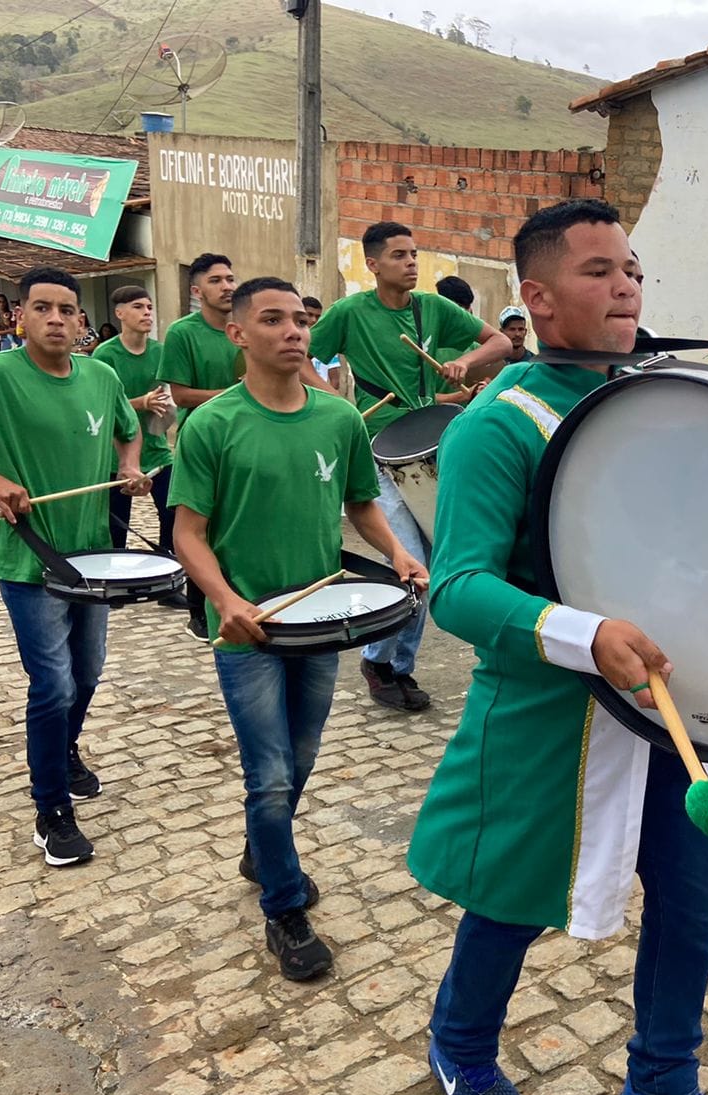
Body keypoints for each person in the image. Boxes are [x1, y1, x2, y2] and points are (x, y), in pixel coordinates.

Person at [411, 199, 708, 1095]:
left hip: (670, 703)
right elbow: (458, 587)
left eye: (632, 269)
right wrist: (585, 632)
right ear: (539, 295)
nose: (626, 286)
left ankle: (662, 1085)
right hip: (552, 713)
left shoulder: (660, 402)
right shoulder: (498, 424)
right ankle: (460, 1046)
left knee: (693, 897)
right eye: (599, 270)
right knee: (512, 899)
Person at [171, 276, 427, 979]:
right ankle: (284, 910)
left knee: (302, 757)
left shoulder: (338, 419)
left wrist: (397, 552)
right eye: (273, 320)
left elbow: (362, 502)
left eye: (301, 320)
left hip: (320, 624)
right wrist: (225, 600)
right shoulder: (211, 425)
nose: (293, 331)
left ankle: (263, 847)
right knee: (272, 774)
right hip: (247, 631)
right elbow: (188, 533)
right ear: (237, 333)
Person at [0, 266, 148, 868]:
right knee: (53, 685)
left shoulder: (102, 376)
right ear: (21, 316)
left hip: (94, 557)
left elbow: (128, 429)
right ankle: (51, 811)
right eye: (43, 308)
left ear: (82, 320)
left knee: (87, 675)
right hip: (31, 559)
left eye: (67, 309)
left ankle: (64, 751)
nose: (56, 319)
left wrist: (128, 466)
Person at [307, 221, 511, 713]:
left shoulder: (431, 309)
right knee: (411, 562)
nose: (411, 262)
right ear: (373, 264)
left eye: (414, 253)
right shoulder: (350, 312)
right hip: (376, 451)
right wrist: (334, 401)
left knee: (439, 562)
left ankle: (396, 664)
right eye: (399, 255)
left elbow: (501, 344)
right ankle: (380, 663)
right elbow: (302, 356)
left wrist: (466, 362)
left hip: (427, 445)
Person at [158, 252, 240, 641]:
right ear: (197, 291)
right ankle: (199, 610)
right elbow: (180, 395)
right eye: (216, 280)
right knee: (199, 526)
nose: (227, 287)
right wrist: (235, 396)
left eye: (230, 279)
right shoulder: (182, 333)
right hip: (202, 440)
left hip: (247, 437)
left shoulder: (244, 327)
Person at [93, 286, 179, 579]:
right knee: (116, 524)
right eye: (138, 307)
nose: (147, 313)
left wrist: (165, 407)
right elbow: (102, 406)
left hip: (158, 450)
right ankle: (112, 581)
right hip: (115, 455)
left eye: (149, 307)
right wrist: (141, 402)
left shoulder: (161, 352)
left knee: (172, 514)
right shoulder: (106, 354)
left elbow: (169, 395)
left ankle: (167, 574)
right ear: (120, 313)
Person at [301, 296, 344, 392]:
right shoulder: (292, 342)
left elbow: (335, 381)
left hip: (319, 395)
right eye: (309, 315)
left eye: (317, 316)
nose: (314, 320)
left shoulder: (327, 344)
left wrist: (328, 397)